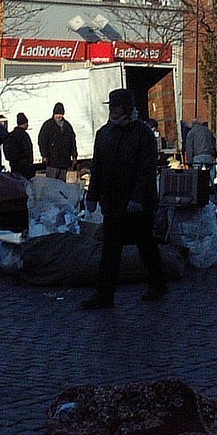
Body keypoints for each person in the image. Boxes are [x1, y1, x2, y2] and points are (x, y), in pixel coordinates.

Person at [82, 88, 167, 309]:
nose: (113, 110)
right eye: (111, 107)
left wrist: (137, 198)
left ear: (127, 108)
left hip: (138, 205)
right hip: (113, 202)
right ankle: (104, 294)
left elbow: (146, 170)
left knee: (145, 245)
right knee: (110, 250)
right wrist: (92, 195)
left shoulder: (143, 134)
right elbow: (97, 167)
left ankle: (157, 283)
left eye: (117, 107)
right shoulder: (104, 133)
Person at [38, 103, 77, 179]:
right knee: (51, 184)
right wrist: (44, 155)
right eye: (57, 114)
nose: (59, 116)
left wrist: (74, 155)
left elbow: (72, 141)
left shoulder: (67, 126)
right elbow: (42, 141)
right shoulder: (47, 125)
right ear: (53, 114)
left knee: (61, 185)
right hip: (52, 162)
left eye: (60, 114)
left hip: (64, 161)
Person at [5, 112, 34, 177]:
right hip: (24, 167)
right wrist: (29, 163)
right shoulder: (24, 135)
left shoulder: (11, 135)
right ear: (25, 123)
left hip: (14, 165)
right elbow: (27, 150)